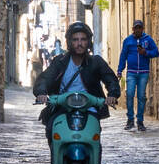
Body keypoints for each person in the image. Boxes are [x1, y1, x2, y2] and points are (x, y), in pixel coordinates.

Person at [33, 21, 120, 153]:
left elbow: (110, 78)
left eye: (83, 39)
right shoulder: (60, 62)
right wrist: (41, 92)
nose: (79, 43)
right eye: (75, 40)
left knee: (94, 136)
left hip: (89, 106)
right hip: (62, 106)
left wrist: (112, 94)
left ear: (88, 42)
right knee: (51, 128)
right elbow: (45, 78)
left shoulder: (96, 62)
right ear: (69, 42)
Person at [117, 18, 159, 131]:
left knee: (141, 96)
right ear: (133, 29)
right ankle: (130, 119)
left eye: (140, 28)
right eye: (136, 28)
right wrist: (120, 70)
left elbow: (156, 52)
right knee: (130, 94)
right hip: (131, 72)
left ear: (142, 29)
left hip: (143, 73)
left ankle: (140, 121)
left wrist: (145, 52)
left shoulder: (148, 40)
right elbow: (123, 56)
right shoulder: (127, 41)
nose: (138, 30)